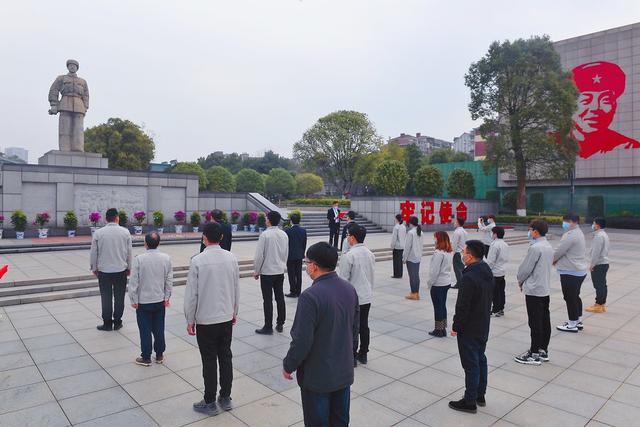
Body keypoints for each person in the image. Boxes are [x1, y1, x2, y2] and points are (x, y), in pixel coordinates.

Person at [282, 242, 359, 427]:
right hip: (343, 372)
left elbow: (301, 340)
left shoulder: (311, 296)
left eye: (307, 262)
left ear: (314, 266)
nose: (306, 266)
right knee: (340, 421)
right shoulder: (349, 289)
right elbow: (354, 330)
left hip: (318, 377)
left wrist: (288, 365)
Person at [184, 222, 240, 416]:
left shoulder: (197, 261)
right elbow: (235, 288)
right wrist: (234, 311)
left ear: (204, 237)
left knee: (209, 359)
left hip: (206, 319)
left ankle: (209, 401)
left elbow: (192, 295)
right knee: (225, 356)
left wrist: (190, 319)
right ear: (222, 237)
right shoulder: (231, 258)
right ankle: (225, 397)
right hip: (225, 316)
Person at [449, 240, 494, 414]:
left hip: (469, 326)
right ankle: (480, 394)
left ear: (470, 255)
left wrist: (456, 326)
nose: (462, 254)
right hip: (483, 322)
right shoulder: (486, 270)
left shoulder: (468, 277)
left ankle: (469, 401)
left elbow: (463, 306)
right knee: (480, 358)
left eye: (464, 251)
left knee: (471, 364)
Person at [570, 61, 640, 158]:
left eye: (605, 100)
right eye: (586, 100)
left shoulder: (627, 145)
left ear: (614, 106)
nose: (595, 108)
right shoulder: (551, 144)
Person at [128, 232, 173, 366]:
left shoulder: (139, 259)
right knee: (159, 328)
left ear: (145, 244)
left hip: (143, 301)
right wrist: (167, 297)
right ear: (159, 243)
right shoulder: (166, 258)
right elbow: (169, 280)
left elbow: (133, 282)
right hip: (159, 300)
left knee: (145, 329)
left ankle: (146, 357)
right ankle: (159, 355)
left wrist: (133, 299)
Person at [514, 220, 554, 366]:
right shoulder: (548, 246)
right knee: (544, 320)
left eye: (530, 229)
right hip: (544, 289)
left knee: (535, 322)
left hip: (534, 290)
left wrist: (520, 280)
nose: (529, 232)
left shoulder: (535, 248)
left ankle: (534, 353)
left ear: (536, 231)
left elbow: (525, 269)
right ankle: (543, 350)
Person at [90, 207, 133, 331]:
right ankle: (118, 322)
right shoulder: (125, 232)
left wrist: (94, 267)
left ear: (106, 219)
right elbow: (129, 252)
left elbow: (94, 252)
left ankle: (107, 323)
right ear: (117, 218)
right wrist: (129, 267)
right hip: (121, 270)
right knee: (119, 298)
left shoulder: (98, 233)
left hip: (104, 271)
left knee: (106, 297)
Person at [339, 224, 375, 365]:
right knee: (364, 325)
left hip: (353, 298)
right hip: (366, 295)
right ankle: (364, 353)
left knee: (352, 327)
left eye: (348, 235)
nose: (347, 237)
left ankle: (352, 356)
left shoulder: (349, 256)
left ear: (352, 238)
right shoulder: (370, 253)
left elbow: (343, 280)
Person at [254, 211, 289, 334]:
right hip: (279, 271)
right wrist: (282, 265)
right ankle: (280, 323)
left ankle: (268, 326)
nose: (265, 220)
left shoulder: (265, 235)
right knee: (280, 297)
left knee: (267, 299)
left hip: (267, 272)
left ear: (269, 220)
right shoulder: (284, 234)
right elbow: (286, 253)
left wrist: (256, 271)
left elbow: (259, 256)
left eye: (266, 218)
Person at [554, 213, 588, 333]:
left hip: (571, 271)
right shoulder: (579, 233)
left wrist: (552, 260)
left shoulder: (570, 235)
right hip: (578, 270)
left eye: (566, 221)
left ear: (573, 222)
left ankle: (572, 323)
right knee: (575, 296)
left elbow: (559, 251)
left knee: (570, 297)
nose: (564, 224)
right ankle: (577, 320)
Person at [48, 59, 90, 152]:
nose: (72, 67)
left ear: (77, 68)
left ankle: (78, 147)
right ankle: (64, 147)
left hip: (79, 105)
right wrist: (54, 104)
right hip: (65, 103)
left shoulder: (83, 81)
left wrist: (85, 107)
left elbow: (86, 95)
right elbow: (54, 90)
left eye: (74, 66)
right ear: (68, 67)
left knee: (78, 129)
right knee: (65, 127)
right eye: (70, 65)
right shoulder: (61, 78)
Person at [427, 231, 453, 337]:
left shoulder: (438, 253)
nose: (434, 239)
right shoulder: (448, 252)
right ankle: (443, 328)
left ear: (439, 239)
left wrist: (430, 283)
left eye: (435, 237)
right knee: (442, 305)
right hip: (446, 282)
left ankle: (438, 330)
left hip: (438, 283)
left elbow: (434, 272)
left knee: (438, 307)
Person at [586, 217, 610, 313]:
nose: (593, 225)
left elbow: (596, 252)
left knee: (599, 285)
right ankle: (601, 304)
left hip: (599, 264)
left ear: (598, 225)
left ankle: (598, 305)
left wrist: (592, 264)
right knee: (602, 285)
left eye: (594, 223)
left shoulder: (599, 236)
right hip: (604, 263)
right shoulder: (604, 234)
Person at [487, 226, 509, 317]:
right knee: (501, 291)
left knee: (495, 292)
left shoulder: (494, 245)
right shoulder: (505, 244)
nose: (492, 235)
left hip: (495, 272)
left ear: (495, 234)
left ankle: (496, 309)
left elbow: (491, 261)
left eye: (492, 233)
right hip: (502, 271)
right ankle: (501, 309)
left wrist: (487, 270)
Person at [285, 212, 307, 298]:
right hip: (299, 255)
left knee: (291, 274)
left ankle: (293, 291)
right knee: (298, 274)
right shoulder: (303, 231)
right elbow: (304, 243)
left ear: (291, 221)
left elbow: (286, 245)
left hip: (290, 256)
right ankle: (298, 291)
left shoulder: (288, 231)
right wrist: (302, 253)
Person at [403, 216, 424, 300]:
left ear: (410, 223)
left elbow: (407, 247)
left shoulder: (411, 233)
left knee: (412, 276)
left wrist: (404, 258)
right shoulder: (420, 232)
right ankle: (416, 293)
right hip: (418, 256)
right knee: (416, 275)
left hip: (411, 257)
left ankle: (414, 293)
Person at [451, 217, 468, 288]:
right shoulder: (465, 231)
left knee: (457, 270)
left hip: (458, 253)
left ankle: (460, 284)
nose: (454, 223)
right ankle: (461, 283)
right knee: (461, 269)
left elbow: (454, 244)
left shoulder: (457, 232)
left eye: (455, 222)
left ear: (458, 223)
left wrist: (452, 252)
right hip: (463, 252)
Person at [390, 214, 407, 279]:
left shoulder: (396, 227)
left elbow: (394, 238)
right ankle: (400, 274)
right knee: (400, 261)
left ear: (397, 219)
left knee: (396, 261)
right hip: (402, 246)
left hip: (397, 246)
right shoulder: (403, 227)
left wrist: (392, 246)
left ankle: (396, 274)